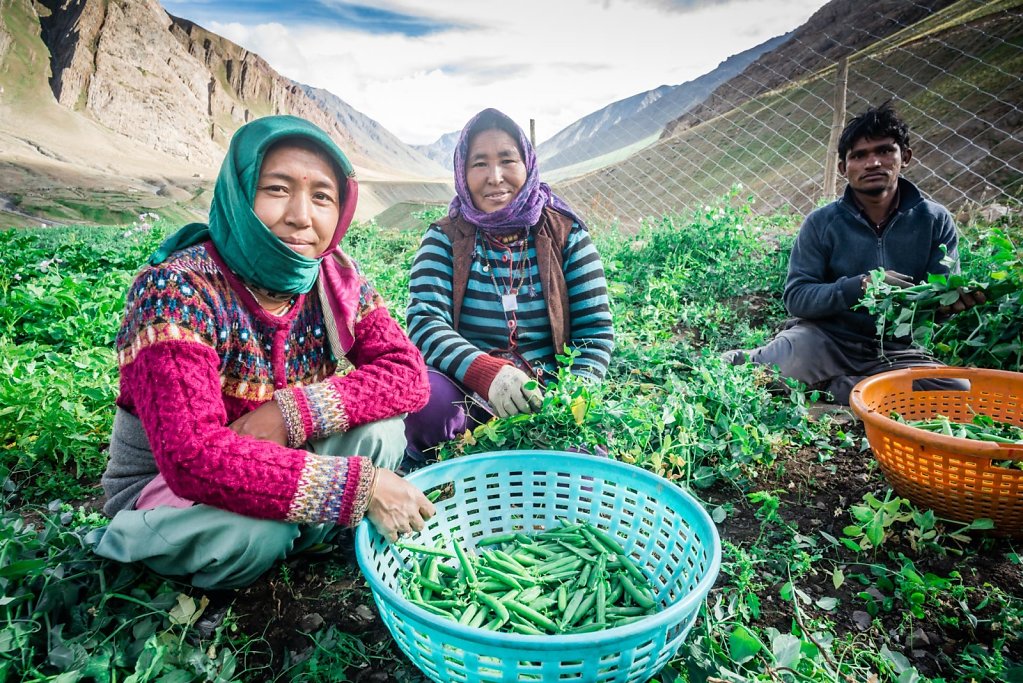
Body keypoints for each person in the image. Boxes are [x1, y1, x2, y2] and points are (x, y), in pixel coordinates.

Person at [89, 115, 434, 591]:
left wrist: (291, 412)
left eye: (321, 197)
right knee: (253, 532)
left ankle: (305, 526)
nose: (301, 216)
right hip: (170, 488)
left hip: (283, 452)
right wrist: (360, 486)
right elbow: (192, 457)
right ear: (240, 192)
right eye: (276, 189)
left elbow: (408, 375)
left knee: (382, 433)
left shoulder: (334, 278)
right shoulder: (177, 288)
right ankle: (147, 541)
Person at [724, 102, 982, 404]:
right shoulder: (822, 223)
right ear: (843, 168)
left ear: (905, 157)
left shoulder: (935, 221)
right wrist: (858, 287)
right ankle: (752, 360)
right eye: (859, 155)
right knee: (774, 371)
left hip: (894, 351)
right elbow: (797, 298)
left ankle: (842, 388)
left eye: (885, 151)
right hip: (825, 340)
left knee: (955, 392)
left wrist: (949, 304)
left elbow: (933, 306)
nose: (873, 163)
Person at [403, 108, 614, 465]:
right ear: (462, 172)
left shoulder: (566, 234)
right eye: (479, 163)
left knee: (582, 462)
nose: (495, 177)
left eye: (507, 160)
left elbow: (595, 332)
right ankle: (446, 463)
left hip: (548, 398)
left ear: (527, 166)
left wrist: (565, 402)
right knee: (423, 398)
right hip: (467, 397)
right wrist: (486, 374)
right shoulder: (444, 238)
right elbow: (425, 324)